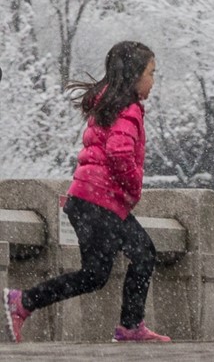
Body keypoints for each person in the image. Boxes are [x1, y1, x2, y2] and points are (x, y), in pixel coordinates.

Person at [3, 41, 171, 344]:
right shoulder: (128, 108)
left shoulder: (109, 104)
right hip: (99, 201)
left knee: (101, 272)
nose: (153, 80)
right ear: (134, 75)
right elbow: (119, 153)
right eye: (151, 73)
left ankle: (24, 302)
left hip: (88, 200)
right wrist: (134, 186)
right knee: (135, 256)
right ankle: (25, 301)